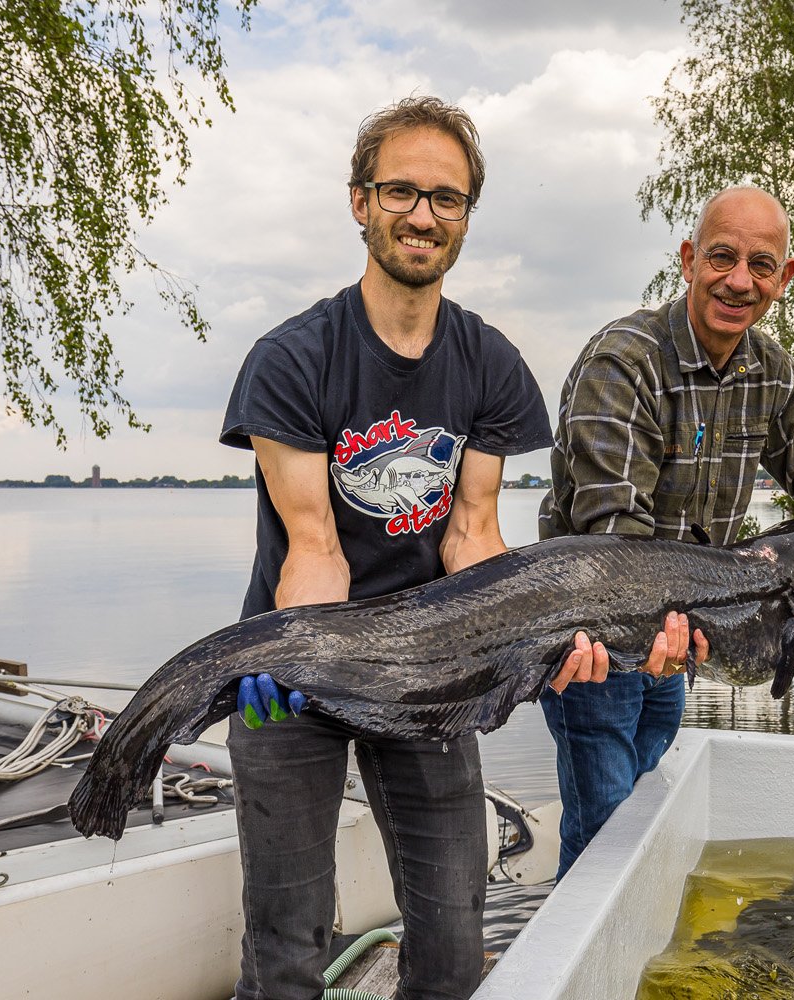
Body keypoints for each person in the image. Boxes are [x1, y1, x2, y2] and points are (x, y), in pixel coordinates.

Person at [217, 96, 602, 1000]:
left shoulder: (490, 364)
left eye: (447, 198)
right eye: (401, 191)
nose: (423, 215)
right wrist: (298, 655)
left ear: (466, 216)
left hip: (433, 675)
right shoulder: (292, 359)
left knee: (455, 941)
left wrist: (538, 641)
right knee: (286, 948)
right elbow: (315, 551)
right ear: (360, 201)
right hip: (294, 673)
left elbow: (473, 538)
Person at [537, 185, 794, 879]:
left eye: (761, 264)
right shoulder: (623, 362)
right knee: (603, 832)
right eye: (722, 257)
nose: (739, 281)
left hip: (685, 633)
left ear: (784, 277)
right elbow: (616, 546)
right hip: (590, 638)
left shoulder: (770, 372)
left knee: (643, 813)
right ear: (688, 260)